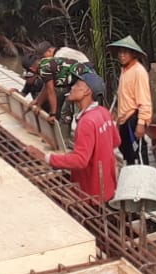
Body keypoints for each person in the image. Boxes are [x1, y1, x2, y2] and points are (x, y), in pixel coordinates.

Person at [30, 73, 119, 203]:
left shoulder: (87, 122)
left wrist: (47, 158)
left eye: (77, 85)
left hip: (90, 193)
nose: (72, 88)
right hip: (107, 187)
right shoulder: (103, 112)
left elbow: (80, 160)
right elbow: (116, 141)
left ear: (87, 91)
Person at [108, 36, 153, 165]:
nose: (122, 55)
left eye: (125, 52)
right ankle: (132, 175)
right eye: (120, 52)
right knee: (126, 150)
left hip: (134, 116)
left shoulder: (138, 71)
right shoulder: (125, 70)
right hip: (124, 117)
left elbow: (144, 100)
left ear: (133, 54)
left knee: (138, 150)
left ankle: (144, 177)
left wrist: (141, 123)